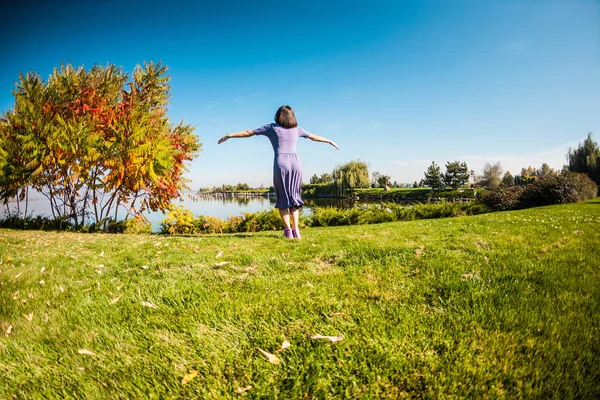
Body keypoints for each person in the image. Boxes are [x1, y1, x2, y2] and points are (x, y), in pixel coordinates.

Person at [218, 105, 339, 239]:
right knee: (294, 199)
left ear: (278, 116)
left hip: (281, 162)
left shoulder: (271, 127)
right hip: (296, 163)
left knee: (283, 199)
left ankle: (288, 232)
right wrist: (329, 141)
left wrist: (229, 135)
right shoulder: (297, 129)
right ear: (292, 116)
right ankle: (296, 231)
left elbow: (248, 132)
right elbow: (313, 137)